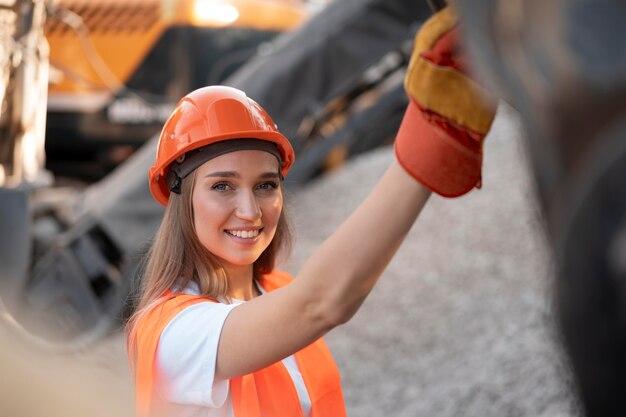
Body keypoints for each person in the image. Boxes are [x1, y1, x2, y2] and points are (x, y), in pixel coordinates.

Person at [126, 6, 496, 417]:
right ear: (183, 201)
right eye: (222, 186)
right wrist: (432, 133)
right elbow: (322, 301)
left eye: (266, 185)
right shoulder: (171, 333)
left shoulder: (276, 291)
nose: (249, 210)